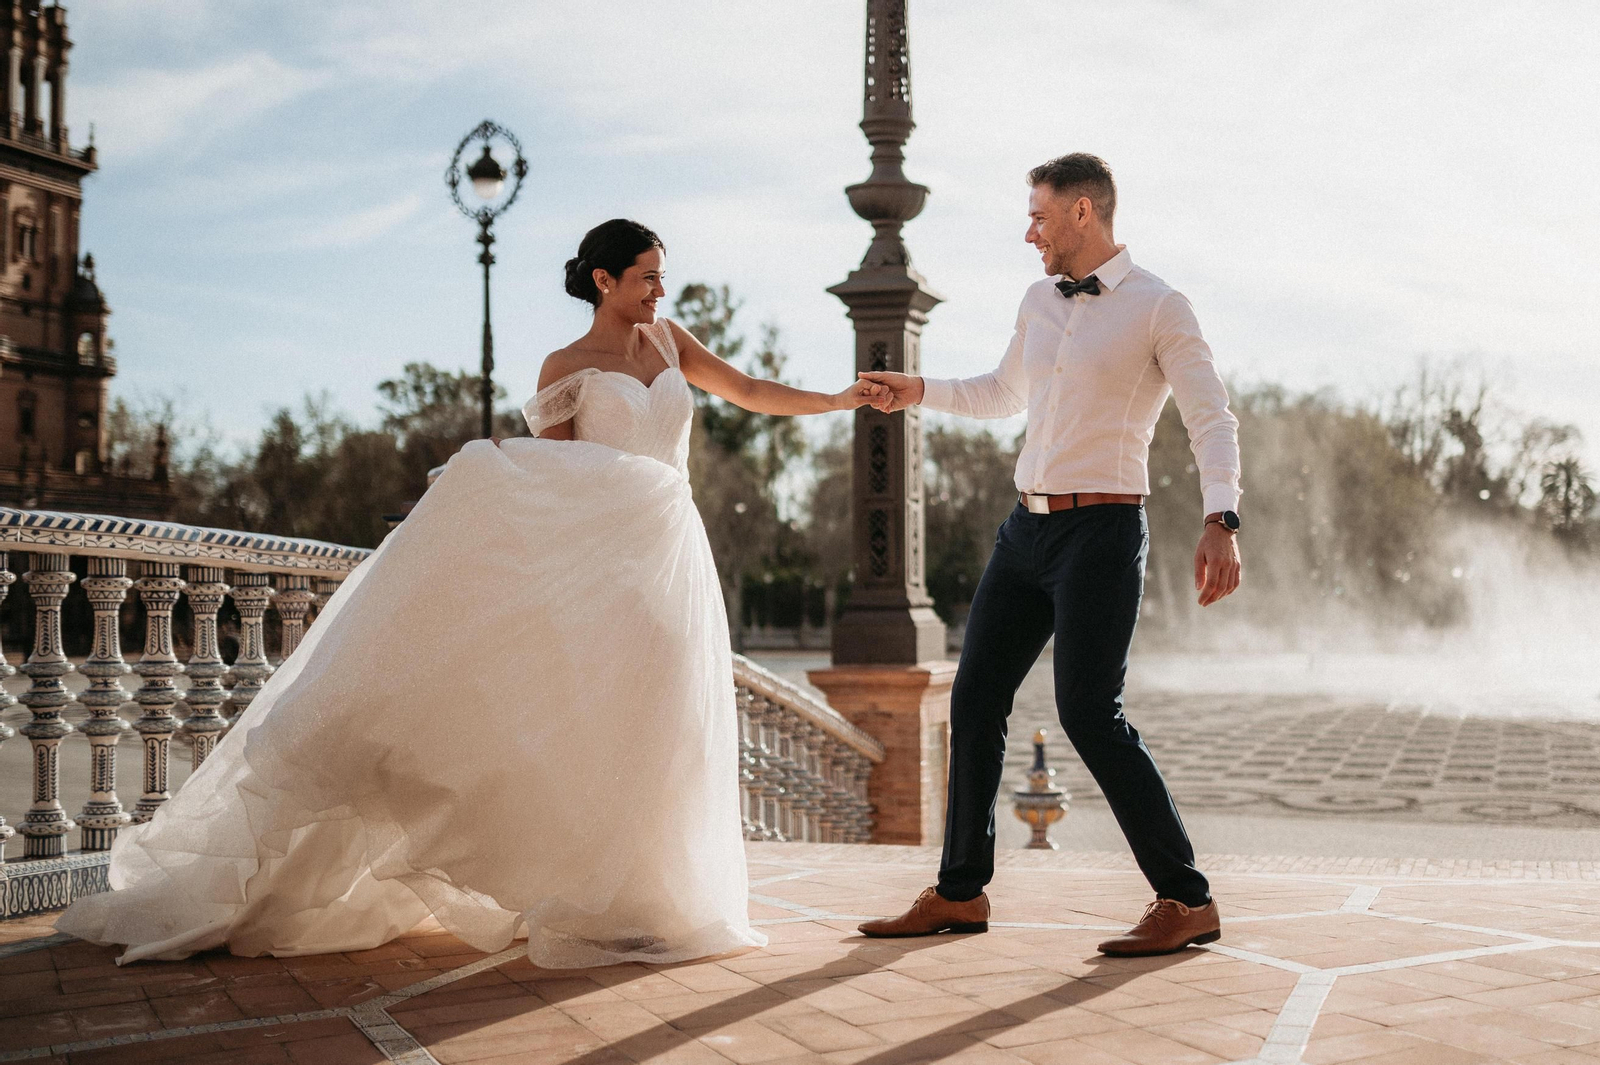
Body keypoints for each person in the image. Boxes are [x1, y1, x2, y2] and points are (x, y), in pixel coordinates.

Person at [57, 218, 887, 968]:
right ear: (605, 281)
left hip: (671, 552)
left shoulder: (671, 343)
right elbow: (551, 479)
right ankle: (595, 896)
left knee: (669, 713)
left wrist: (838, 399)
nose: (659, 289)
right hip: (599, 569)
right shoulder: (565, 369)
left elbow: (750, 392)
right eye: (645, 276)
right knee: (603, 720)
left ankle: (657, 899)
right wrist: (477, 486)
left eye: (660, 276)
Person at [855, 154, 1243, 956]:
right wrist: (916, 388)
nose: (1028, 231)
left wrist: (1222, 517)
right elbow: (1003, 393)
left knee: (1087, 713)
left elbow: (1212, 417)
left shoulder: (1160, 305)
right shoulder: (1039, 299)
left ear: (1081, 213)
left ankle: (1186, 896)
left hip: (1102, 534)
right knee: (975, 698)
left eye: (1038, 215)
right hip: (1024, 530)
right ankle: (960, 892)